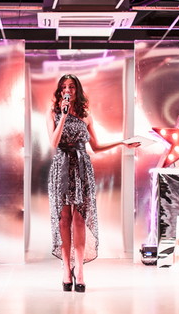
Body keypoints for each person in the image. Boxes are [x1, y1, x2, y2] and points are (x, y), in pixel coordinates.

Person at [46, 74, 139, 292]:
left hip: (81, 167)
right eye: (64, 87)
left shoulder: (86, 115)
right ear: (59, 91)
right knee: (64, 219)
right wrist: (63, 116)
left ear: (77, 90)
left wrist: (122, 142)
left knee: (79, 219)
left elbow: (95, 147)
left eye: (71, 87)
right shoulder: (53, 112)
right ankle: (66, 269)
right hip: (61, 166)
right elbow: (53, 142)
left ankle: (79, 270)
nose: (67, 90)